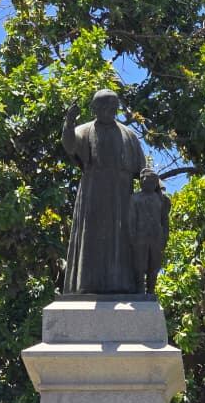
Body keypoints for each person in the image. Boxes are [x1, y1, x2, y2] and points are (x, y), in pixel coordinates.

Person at [60, 89, 146, 294]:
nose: (107, 111)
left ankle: (121, 284)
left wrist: (156, 188)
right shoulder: (84, 129)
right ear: (94, 108)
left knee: (121, 239)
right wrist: (69, 123)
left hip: (121, 195)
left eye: (111, 108)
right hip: (93, 193)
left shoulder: (129, 135)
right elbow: (70, 145)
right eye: (102, 107)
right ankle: (87, 284)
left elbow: (142, 170)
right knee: (91, 238)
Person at [129, 170, 170, 295]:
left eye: (152, 181)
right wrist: (132, 238)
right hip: (140, 237)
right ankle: (140, 290)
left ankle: (151, 290)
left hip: (156, 237)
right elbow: (131, 220)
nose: (148, 183)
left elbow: (165, 220)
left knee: (154, 266)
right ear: (141, 182)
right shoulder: (135, 198)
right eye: (146, 180)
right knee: (139, 266)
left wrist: (165, 237)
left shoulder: (161, 200)